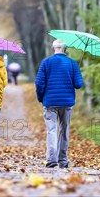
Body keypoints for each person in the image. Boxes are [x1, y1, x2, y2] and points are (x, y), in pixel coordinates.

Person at [35, 39, 84, 168]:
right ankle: (63, 160)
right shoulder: (73, 64)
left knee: (51, 130)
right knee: (64, 130)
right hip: (67, 103)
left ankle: (51, 159)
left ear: (53, 48)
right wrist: (76, 73)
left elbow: (39, 83)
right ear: (64, 49)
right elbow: (78, 84)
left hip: (50, 102)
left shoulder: (46, 62)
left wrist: (41, 98)